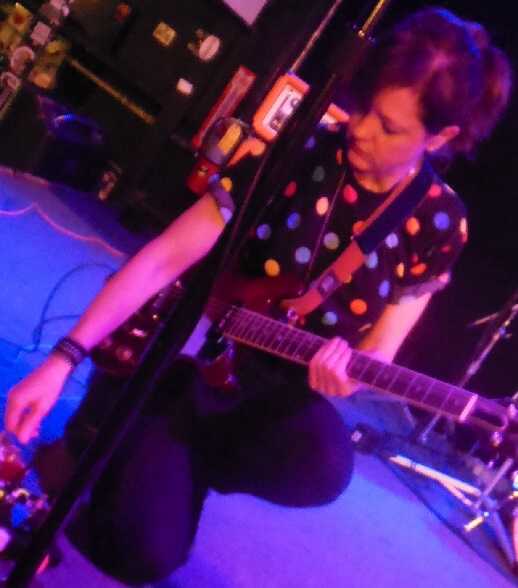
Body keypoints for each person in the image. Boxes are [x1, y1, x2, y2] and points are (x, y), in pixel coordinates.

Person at [4, 6, 512, 586]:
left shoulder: (441, 223)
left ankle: (170, 460)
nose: (361, 128)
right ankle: (121, 430)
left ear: (441, 138)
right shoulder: (300, 154)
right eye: (365, 105)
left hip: (265, 398)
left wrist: (349, 377)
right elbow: (164, 259)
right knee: (146, 555)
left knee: (322, 464)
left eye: (389, 126)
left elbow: (379, 354)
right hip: (184, 367)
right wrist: (63, 357)